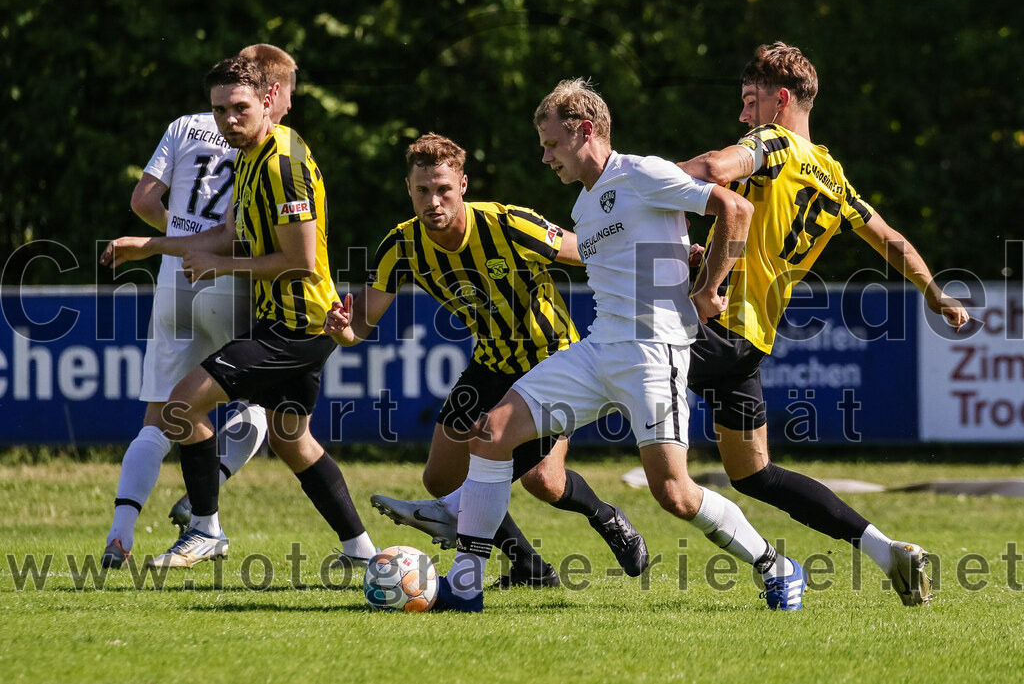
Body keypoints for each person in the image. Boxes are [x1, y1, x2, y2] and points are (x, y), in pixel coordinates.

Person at [383, 78, 807, 613]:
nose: (545, 158)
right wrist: (683, 261)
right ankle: (465, 586)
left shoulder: (643, 172)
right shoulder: (585, 205)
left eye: (552, 144)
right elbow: (633, 257)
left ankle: (776, 565)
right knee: (490, 434)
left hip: (654, 357)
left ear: (585, 131)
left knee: (674, 495)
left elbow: (735, 210)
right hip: (599, 350)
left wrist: (708, 290)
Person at [678, 42, 971, 606]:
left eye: (749, 101)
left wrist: (638, 182)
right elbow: (890, 239)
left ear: (780, 100)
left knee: (588, 381)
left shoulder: (773, 144)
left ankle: (480, 524)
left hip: (715, 325)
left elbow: (714, 168)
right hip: (751, 340)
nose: (743, 115)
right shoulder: (834, 178)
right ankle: (889, 551)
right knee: (753, 475)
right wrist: (934, 292)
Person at [324, 132, 649, 587]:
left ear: (463, 184)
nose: (433, 201)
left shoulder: (508, 224)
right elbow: (361, 324)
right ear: (408, 189)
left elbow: (589, 251)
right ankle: (530, 568)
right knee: (440, 479)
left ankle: (605, 516)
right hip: (493, 362)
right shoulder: (401, 247)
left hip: (552, 360)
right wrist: (344, 331)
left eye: (443, 189)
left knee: (543, 481)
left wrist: (666, 260)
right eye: (422, 191)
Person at [101, 55, 376, 568]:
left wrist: (221, 266)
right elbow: (228, 233)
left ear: (268, 100)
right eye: (220, 108)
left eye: (240, 107)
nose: (229, 119)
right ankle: (362, 552)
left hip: (295, 325)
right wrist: (152, 245)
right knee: (293, 441)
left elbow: (300, 260)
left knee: (182, 406)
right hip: (286, 321)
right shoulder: (248, 153)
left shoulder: (283, 163)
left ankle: (205, 529)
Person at [100, 43, 296, 569]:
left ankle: (121, 531)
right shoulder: (268, 143)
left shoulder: (186, 125)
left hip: (174, 281)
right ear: (274, 91)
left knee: (158, 416)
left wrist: (182, 237)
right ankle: (208, 495)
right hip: (231, 280)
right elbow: (257, 233)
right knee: (259, 406)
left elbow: (143, 201)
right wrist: (208, 244)